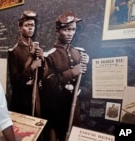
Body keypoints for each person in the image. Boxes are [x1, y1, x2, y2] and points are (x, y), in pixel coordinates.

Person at [40, 11, 89, 141]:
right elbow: (48, 85)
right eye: (67, 30)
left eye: (73, 29)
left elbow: (83, 81)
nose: (71, 33)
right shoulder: (49, 55)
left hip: (74, 106)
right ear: (57, 31)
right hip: (55, 107)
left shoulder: (78, 53)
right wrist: (72, 72)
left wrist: (85, 66)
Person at [8, 10, 44, 116]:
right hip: (22, 98)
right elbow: (15, 80)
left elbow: (42, 74)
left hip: (35, 95)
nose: (30, 28)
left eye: (32, 25)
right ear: (20, 28)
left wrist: (42, 59)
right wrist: (31, 66)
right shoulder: (14, 51)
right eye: (27, 25)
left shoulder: (36, 47)